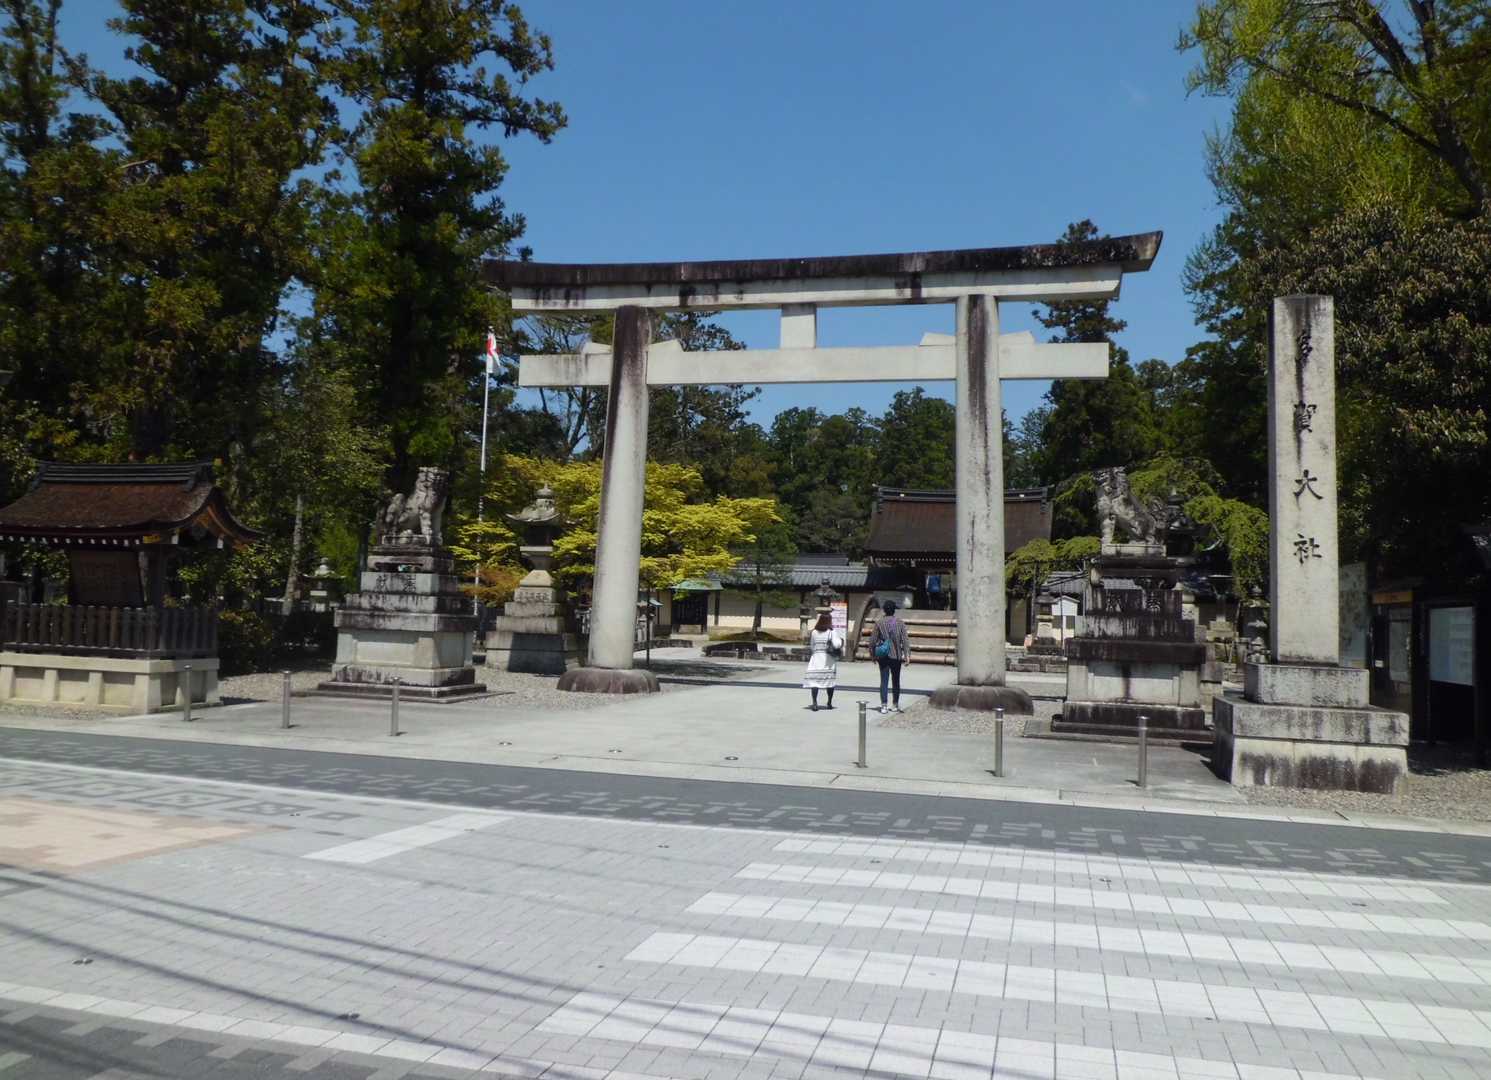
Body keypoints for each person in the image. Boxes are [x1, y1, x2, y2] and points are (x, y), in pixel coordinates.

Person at [870, 599, 911, 713]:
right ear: (894, 611)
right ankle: (895, 705)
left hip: (883, 656)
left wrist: (872, 655)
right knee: (896, 680)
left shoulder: (879, 623)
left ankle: (883, 705)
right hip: (896, 656)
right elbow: (905, 640)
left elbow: (872, 640)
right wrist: (907, 655)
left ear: (884, 610)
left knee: (884, 680)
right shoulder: (900, 622)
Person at [802, 612, 844, 711]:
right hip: (828, 660)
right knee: (829, 683)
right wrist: (841, 641)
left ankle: (814, 703)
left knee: (814, 683)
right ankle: (829, 702)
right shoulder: (831, 632)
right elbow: (837, 645)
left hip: (816, 659)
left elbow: (812, 646)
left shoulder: (814, 632)